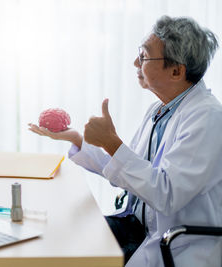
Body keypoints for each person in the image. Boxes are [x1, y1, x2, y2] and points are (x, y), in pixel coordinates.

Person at [29, 16, 222, 266]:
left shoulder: (208, 119)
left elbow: (167, 194)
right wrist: (77, 138)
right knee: (62, 235)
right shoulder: (160, 110)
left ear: (176, 71)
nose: (135, 63)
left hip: (175, 243)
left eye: (144, 56)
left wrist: (111, 142)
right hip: (138, 227)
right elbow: (131, 170)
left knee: (72, 255)